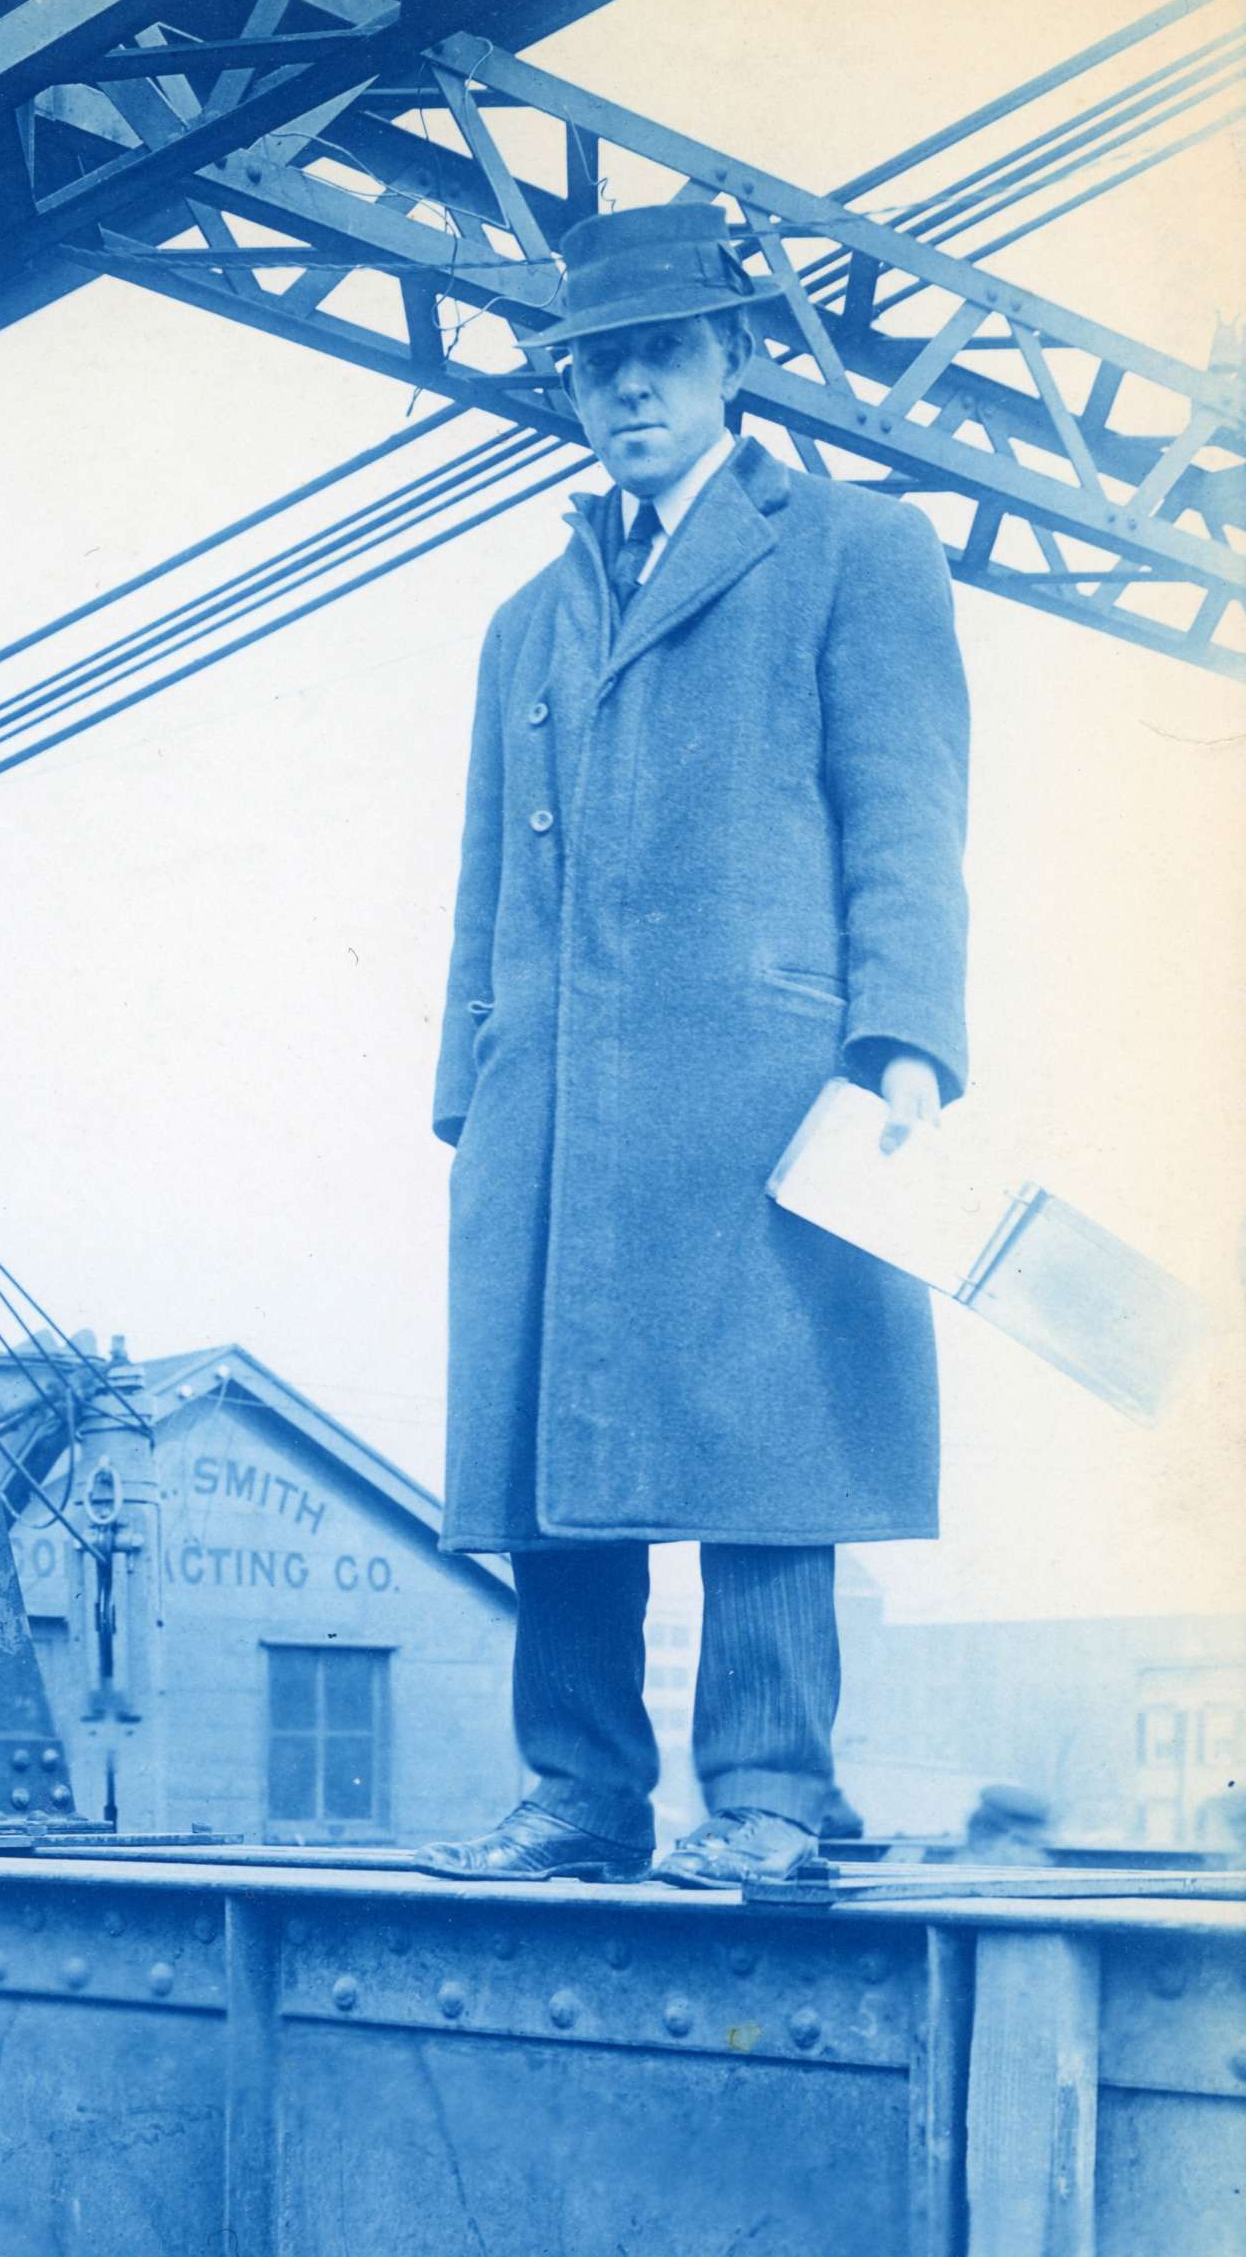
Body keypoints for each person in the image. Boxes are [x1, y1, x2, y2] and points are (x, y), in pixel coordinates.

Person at [413, 203, 970, 1889]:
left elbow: (907, 818)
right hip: (555, 1096)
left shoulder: (858, 551)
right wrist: (469, 1087)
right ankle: (580, 1794)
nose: (627, 391)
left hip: (760, 1081)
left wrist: (905, 1047)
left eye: (659, 355)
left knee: (766, 1434)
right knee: (542, 1453)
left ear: (731, 360)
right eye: (596, 366)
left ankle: (773, 1797)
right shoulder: (528, 613)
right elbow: (481, 874)